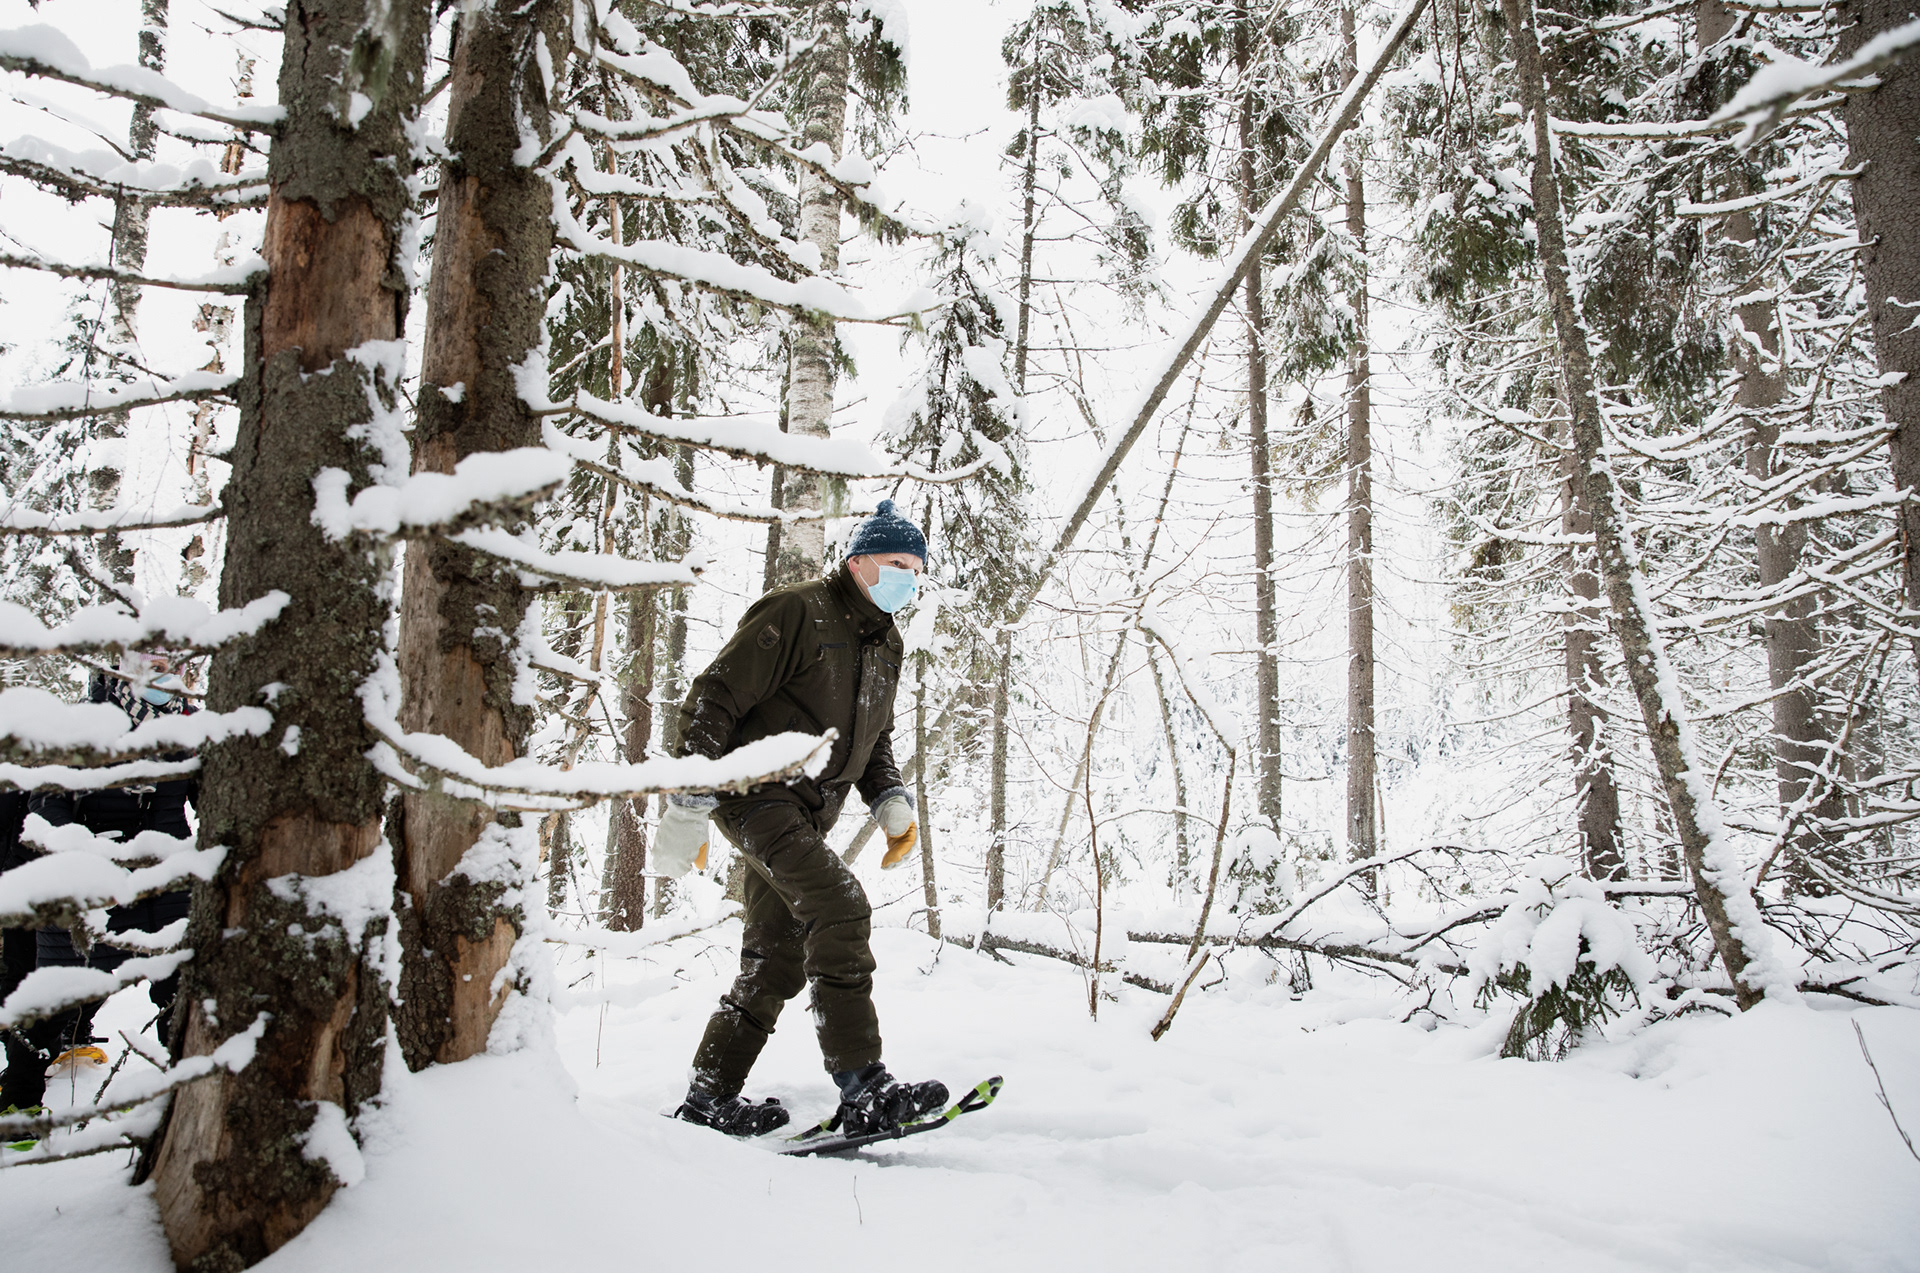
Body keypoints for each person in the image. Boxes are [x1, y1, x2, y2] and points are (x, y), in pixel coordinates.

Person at [659, 500, 948, 1137]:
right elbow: (714, 697)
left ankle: (708, 1098)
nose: (909, 576)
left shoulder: (888, 643)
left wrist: (890, 800)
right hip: (755, 794)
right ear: (857, 561)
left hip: (812, 814)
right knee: (841, 907)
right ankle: (863, 1087)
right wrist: (688, 799)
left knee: (777, 958)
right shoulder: (798, 611)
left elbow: (874, 739)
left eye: (917, 567)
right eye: (896, 563)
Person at [23, 652, 197, 1095]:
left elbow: (212, 800)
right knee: (59, 1000)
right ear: (125, 665)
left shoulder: (189, 728)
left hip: (167, 885)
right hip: (93, 885)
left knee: (180, 993)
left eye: (170, 663)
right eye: (150, 661)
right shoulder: (85, 721)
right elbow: (48, 801)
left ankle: (183, 1094)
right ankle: (19, 1099)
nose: (162, 673)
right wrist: (83, 853)